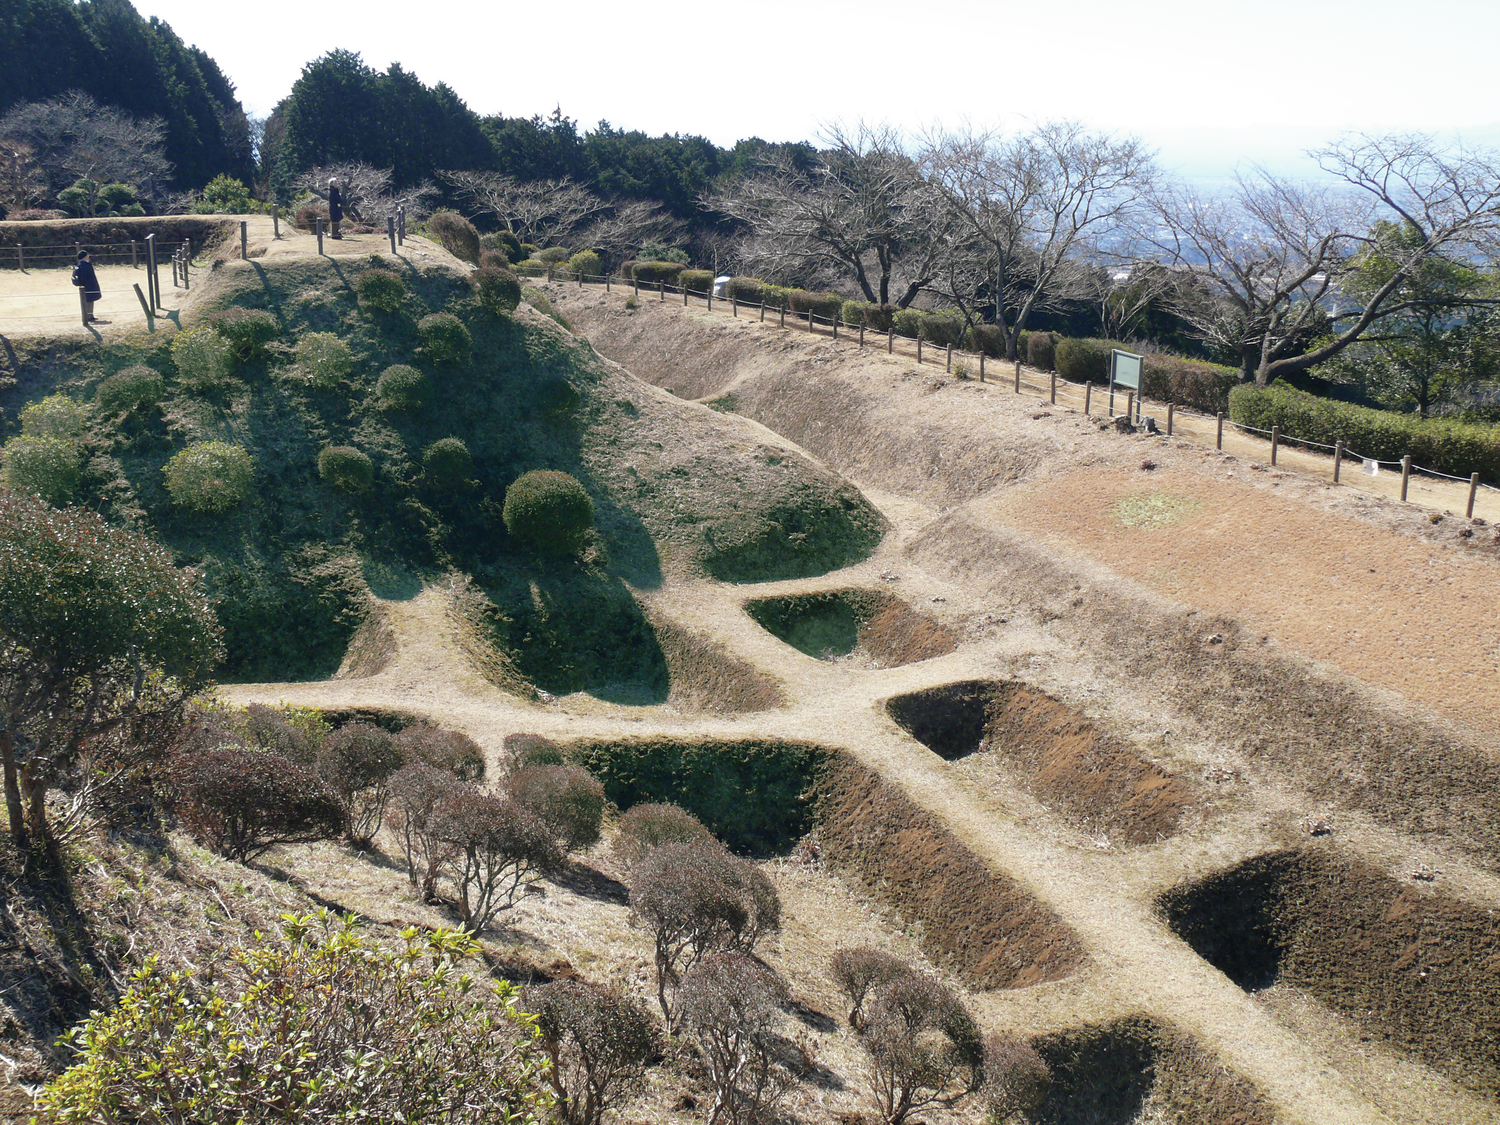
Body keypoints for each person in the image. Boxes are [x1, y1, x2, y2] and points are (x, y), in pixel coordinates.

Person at [71, 250, 102, 323]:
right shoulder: (85, 265)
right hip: (89, 285)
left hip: (87, 285)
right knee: (89, 301)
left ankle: (90, 315)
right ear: (85, 257)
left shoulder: (81, 265)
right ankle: (88, 316)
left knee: (90, 300)